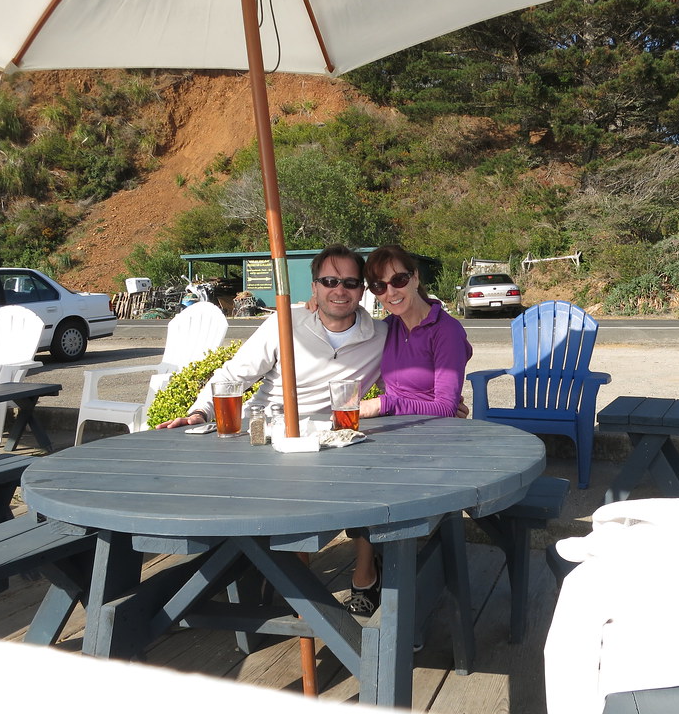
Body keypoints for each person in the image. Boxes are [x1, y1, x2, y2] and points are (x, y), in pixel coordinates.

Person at [344, 244, 473, 617]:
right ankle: (370, 571)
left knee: (378, 489)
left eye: (398, 279)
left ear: (416, 277)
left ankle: (392, 596)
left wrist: (384, 404)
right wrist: (310, 307)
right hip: (390, 437)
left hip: (432, 441)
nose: (390, 291)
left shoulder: (444, 330)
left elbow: (447, 407)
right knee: (345, 475)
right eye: (379, 287)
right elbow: (339, 317)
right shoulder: (386, 327)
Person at [156, 244, 386, 429]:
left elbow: (405, 389)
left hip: (329, 437)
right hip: (263, 429)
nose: (339, 290)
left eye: (350, 283)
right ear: (314, 288)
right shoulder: (284, 323)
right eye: (329, 281)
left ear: (361, 291)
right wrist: (200, 412)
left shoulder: (382, 336)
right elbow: (234, 375)